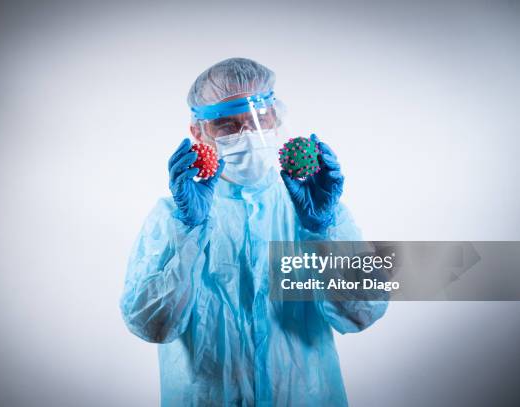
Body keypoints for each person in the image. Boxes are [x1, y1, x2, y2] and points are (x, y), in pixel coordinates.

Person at [120, 57, 387, 406]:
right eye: (227, 126)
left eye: (259, 120)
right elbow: (151, 325)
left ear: (275, 118)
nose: (247, 136)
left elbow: (362, 314)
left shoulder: (313, 209)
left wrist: (321, 231)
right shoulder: (175, 217)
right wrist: (189, 232)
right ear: (197, 132)